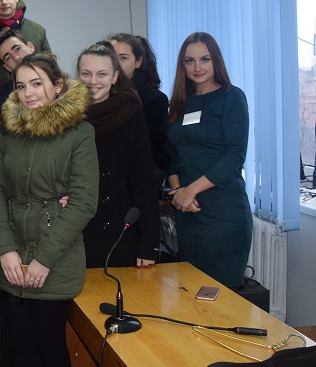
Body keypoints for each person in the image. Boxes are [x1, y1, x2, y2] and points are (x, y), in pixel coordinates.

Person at [0, 53, 98, 367]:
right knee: (21, 351)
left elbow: (84, 201)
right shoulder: (10, 131)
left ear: (58, 85)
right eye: (21, 86)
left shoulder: (79, 132)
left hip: (55, 261)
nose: (28, 93)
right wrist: (5, 250)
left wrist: (44, 259)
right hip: (12, 262)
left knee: (51, 349)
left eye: (36, 84)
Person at [167, 32, 251, 288]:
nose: (197, 67)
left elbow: (235, 155)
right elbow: (172, 155)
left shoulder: (231, 97)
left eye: (205, 59)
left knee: (221, 296)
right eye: (189, 61)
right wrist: (179, 192)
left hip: (223, 212)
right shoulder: (180, 103)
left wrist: (190, 190)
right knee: (190, 293)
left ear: (216, 61)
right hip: (188, 212)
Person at [76, 42, 159, 268]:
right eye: (86, 73)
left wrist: (149, 243)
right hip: (76, 235)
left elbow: (144, 184)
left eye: (102, 74)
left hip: (121, 231)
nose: (93, 81)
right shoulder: (67, 118)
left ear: (114, 77)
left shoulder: (131, 113)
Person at [108, 33, 171, 185]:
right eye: (112, 57)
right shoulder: (95, 96)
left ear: (138, 62)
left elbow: (156, 151)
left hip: (137, 180)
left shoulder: (154, 99)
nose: (116, 64)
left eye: (123, 58)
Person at [0, 28, 37, 119]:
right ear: (7, 67)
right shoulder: (2, 101)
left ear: (30, 47)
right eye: (8, 58)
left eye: (17, 49)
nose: (16, 58)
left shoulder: (56, 80)